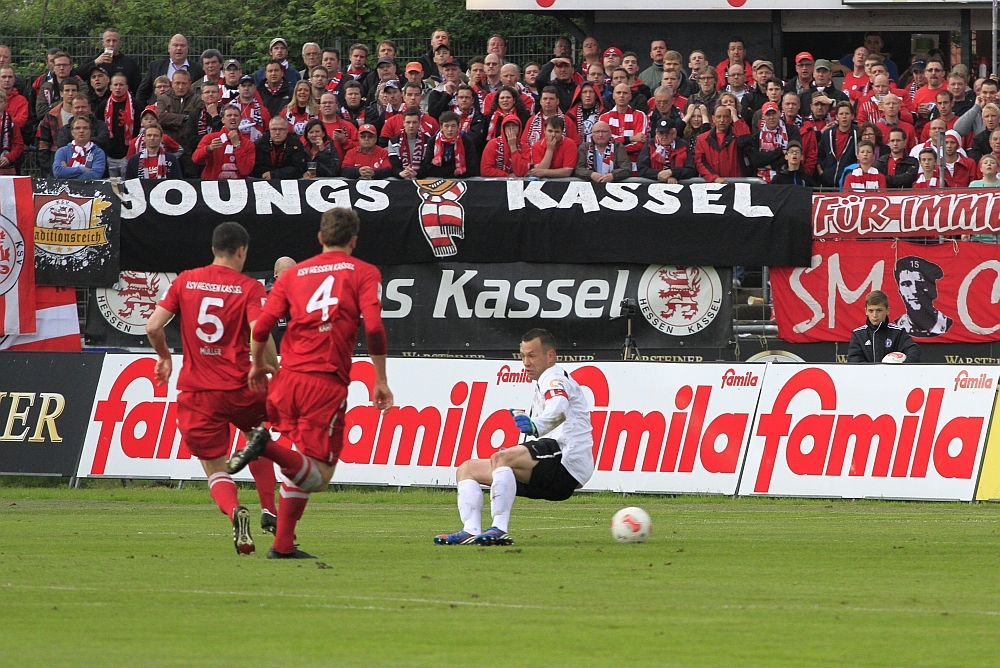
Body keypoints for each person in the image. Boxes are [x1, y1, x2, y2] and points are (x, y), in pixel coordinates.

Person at [229, 208, 393, 559]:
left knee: (299, 463)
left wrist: (258, 364)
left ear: (319, 238)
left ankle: (283, 545)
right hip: (324, 382)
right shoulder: (363, 272)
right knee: (319, 475)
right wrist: (380, 378)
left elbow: (260, 328)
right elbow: (375, 328)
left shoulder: (292, 275)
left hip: (287, 380)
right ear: (353, 240)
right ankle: (265, 447)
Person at [145, 222, 278, 555]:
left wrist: (164, 357)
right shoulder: (249, 288)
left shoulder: (185, 280)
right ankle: (269, 508)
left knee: (213, 466)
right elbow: (258, 331)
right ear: (242, 251)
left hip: (199, 392)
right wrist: (266, 365)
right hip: (241, 386)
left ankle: (235, 512)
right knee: (258, 435)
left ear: (213, 249)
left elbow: (153, 326)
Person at [434, 329, 593, 546]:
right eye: (523, 356)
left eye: (532, 355)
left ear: (550, 356)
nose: (526, 362)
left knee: (502, 458)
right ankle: (470, 531)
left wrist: (536, 424)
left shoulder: (553, 377)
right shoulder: (544, 380)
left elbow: (559, 407)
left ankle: (499, 529)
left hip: (566, 461)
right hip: (548, 470)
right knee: (467, 469)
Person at [135, 34, 205, 113]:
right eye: (175, 45)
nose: (179, 48)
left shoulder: (197, 69)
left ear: (187, 49)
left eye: (182, 45)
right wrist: (146, 113)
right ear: (169, 48)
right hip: (158, 113)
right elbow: (142, 92)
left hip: (187, 114)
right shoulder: (155, 66)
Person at [847, 290, 920, 364]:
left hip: (892, 375)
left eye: (879, 310)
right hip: (868, 375)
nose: (875, 315)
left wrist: (901, 367)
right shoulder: (858, 334)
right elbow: (854, 359)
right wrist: (874, 371)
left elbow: (913, 350)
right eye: (871, 311)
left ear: (887, 310)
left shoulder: (898, 332)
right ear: (866, 311)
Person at [893, 257, 953, 337]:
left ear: (933, 290)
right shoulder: (897, 327)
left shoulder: (946, 324)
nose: (914, 291)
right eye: (906, 284)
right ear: (900, 290)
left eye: (920, 284)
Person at [192, 104, 255, 179]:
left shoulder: (248, 144)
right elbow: (196, 159)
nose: (233, 118)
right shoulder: (210, 138)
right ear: (223, 120)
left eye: (236, 115)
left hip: (238, 187)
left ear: (240, 119)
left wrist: (237, 146)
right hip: (213, 185)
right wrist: (209, 148)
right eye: (229, 115)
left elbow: (246, 170)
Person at [75, 27, 141, 96]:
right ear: (103, 43)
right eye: (108, 41)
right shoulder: (93, 60)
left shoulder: (129, 62)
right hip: (97, 101)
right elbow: (79, 75)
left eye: (114, 41)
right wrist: (95, 62)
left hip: (121, 100)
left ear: (119, 43)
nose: (111, 44)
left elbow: (137, 86)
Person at [695, 104, 747, 184]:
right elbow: (700, 162)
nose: (722, 120)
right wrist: (714, 178)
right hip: (712, 184)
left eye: (726, 117)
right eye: (719, 117)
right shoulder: (702, 139)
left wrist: (736, 118)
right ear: (713, 119)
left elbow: (747, 141)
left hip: (736, 184)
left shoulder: (737, 135)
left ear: (730, 119)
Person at [419, 111, 477, 178]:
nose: (450, 130)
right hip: (437, 180)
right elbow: (429, 168)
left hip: (462, 179)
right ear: (441, 127)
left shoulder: (466, 141)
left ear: (458, 127)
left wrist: (445, 172)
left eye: (453, 126)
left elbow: (471, 168)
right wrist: (454, 171)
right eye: (446, 126)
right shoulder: (432, 141)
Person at [636, 118, 694, 183]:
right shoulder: (649, 144)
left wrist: (672, 172)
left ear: (674, 133)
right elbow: (642, 169)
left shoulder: (683, 145)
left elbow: (691, 170)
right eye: (661, 133)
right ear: (656, 133)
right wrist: (661, 175)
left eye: (667, 133)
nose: (664, 137)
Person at [818, 101, 858, 187]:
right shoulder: (827, 133)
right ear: (836, 117)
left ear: (852, 116)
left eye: (847, 113)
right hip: (827, 182)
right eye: (841, 114)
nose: (844, 116)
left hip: (849, 183)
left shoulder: (858, 133)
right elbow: (819, 155)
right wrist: (821, 172)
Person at [389, 107, 432, 178]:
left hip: (421, 179)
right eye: (408, 122)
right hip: (401, 180)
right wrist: (401, 173)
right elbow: (394, 166)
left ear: (419, 123)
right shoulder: (393, 142)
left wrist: (416, 173)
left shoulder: (428, 141)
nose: (411, 126)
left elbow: (427, 166)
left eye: (414, 122)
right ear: (403, 123)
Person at [0, 90, 24, 175]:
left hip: (5, 166)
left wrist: (8, 158)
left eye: (0, 101)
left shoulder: (11, 123)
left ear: (5, 103)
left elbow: (19, 144)